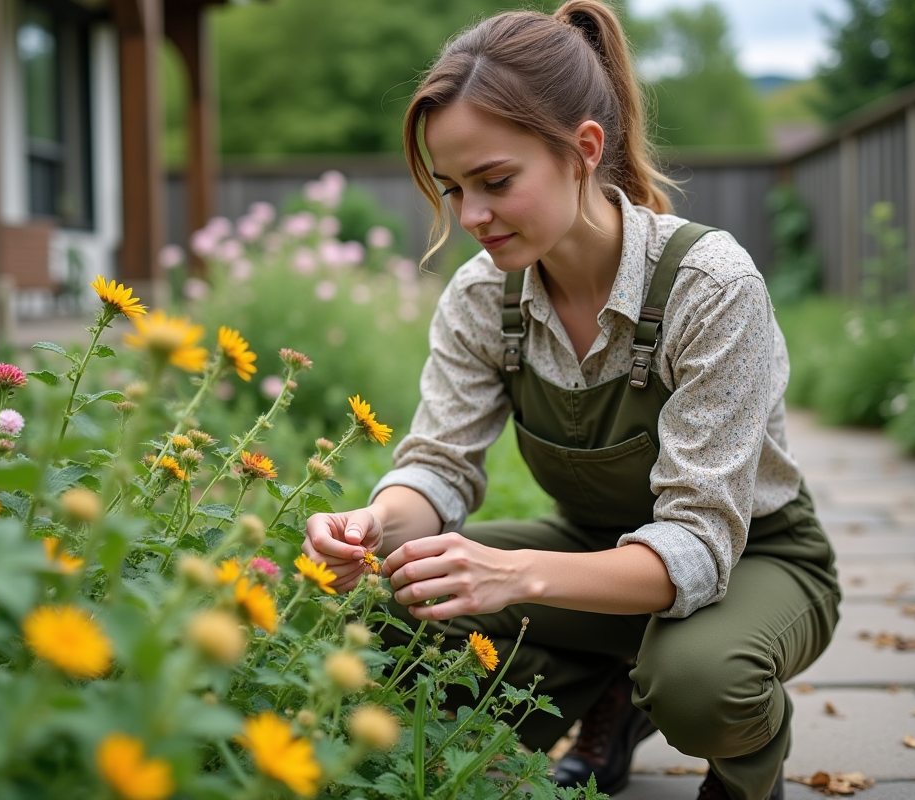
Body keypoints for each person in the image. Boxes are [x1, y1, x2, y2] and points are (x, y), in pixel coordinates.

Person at [302, 2, 840, 798]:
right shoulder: (485, 296)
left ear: (584, 151)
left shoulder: (710, 286)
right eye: (453, 189)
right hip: (589, 547)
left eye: (495, 181)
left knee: (700, 681)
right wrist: (374, 528)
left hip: (751, 556)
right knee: (399, 601)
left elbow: (695, 542)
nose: (472, 216)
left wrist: (516, 575)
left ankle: (743, 763)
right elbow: (441, 466)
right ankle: (607, 689)